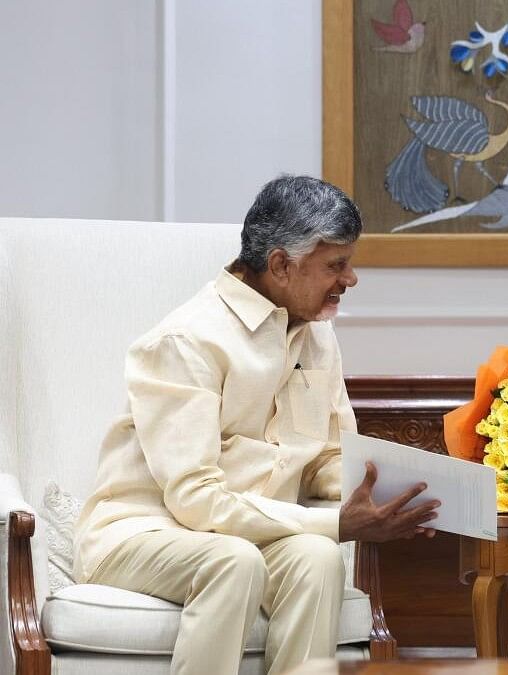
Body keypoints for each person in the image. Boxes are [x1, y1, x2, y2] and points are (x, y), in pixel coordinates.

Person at [73, 175, 439, 675]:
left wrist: (393, 496)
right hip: (141, 534)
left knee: (317, 557)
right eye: (336, 265)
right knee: (234, 561)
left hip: (248, 533)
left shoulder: (318, 334)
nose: (350, 280)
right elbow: (197, 500)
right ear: (280, 266)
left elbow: (328, 460)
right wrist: (337, 522)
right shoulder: (187, 341)